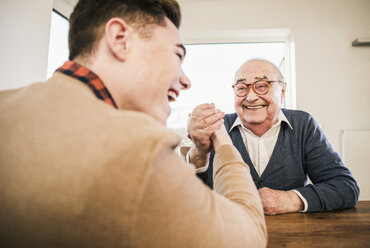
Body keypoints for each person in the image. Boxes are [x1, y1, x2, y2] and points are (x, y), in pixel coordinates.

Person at [0, 1, 267, 247]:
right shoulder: (138, 150)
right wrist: (222, 140)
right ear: (120, 39)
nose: (186, 81)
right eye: (177, 56)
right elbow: (249, 236)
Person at [187, 58, 359, 215]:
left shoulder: (303, 124)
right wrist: (199, 153)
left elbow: (346, 188)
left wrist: (289, 200)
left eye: (262, 86)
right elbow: (193, 198)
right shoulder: (217, 127)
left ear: (282, 90)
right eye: (241, 88)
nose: (251, 96)